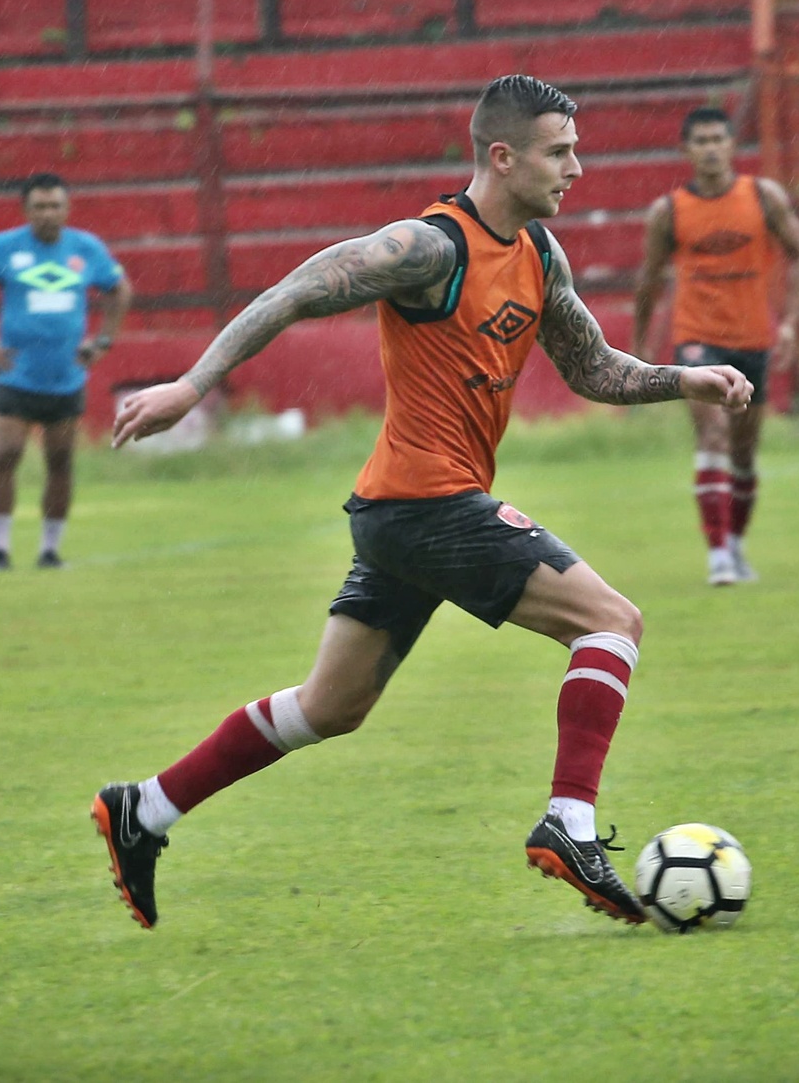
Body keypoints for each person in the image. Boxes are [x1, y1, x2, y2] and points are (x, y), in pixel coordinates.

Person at [90, 75, 753, 930]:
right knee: (612, 621)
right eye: (560, 152)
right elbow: (297, 289)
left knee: (331, 706)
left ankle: (144, 808)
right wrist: (192, 383)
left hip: (402, 510)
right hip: (427, 503)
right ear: (503, 156)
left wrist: (684, 378)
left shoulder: (541, 255)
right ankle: (572, 822)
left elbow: (592, 368)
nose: (576, 169)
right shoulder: (428, 247)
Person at [632, 107, 799, 586]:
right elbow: (648, 281)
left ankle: (733, 542)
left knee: (744, 450)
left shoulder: (762, 197)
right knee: (711, 434)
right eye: (701, 141)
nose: (711, 149)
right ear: (686, 150)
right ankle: (718, 557)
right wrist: (637, 346)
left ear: (732, 145)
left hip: (752, 337)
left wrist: (791, 324)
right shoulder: (668, 212)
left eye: (718, 139)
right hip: (696, 338)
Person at [0, 172, 133, 570]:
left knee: (61, 460)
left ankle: (50, 551)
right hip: (17, 373)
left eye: (55, 206)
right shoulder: (3, 248)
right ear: (26, 210)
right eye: (39, 207)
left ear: (67, 209)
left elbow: (119, 290)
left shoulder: (86, 249)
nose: (48, 214)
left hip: (66, 375)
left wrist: (102, 341)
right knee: (7, 453)